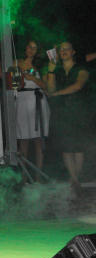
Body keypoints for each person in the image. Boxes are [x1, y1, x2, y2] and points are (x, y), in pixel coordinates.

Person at [46, 41, 90, 193]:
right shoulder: (57, 70)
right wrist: (50, 71)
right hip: (61, 112)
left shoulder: (81, 69)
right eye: (61, 49)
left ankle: (76, 178)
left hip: (78, 112)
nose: (63, 51)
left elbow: (78, 86)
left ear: (73, 52)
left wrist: (57, 94)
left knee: (78, 148)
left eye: (67, 49)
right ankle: (74, 179)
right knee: (66, 147)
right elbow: (50, 88)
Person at [15, 40, 50, 173]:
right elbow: (12, 84)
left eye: (34, 48)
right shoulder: (16, 62)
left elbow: (47, 87)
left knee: (38, 140)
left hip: (38, 101)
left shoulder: (41, 66)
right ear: (25, 48)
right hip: (22, 101)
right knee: (23, 140)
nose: (31, 50)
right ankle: (24, 176)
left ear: (37, 51)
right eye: (29, 47)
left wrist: (33, 78)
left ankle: (38, 176)